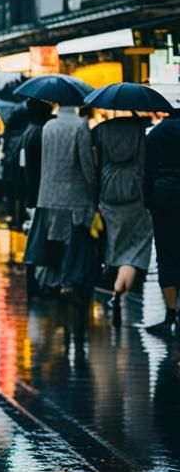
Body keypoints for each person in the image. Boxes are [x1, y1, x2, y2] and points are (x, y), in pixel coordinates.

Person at [24, 105, 98, 296]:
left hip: (48, 193)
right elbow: (86, 162)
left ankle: (49, 280)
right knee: (70, 240)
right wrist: (93, 187)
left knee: (51, 238)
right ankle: (66, 280)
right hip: (73, 194)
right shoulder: (80, 126)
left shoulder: (48, 126)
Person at [94, 114, 153, 321]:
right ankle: (121, 289)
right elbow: (144, 160)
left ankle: (112, 283)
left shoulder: (101, 130)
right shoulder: (139, 130)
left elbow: (97, 162)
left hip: (109, 189)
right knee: (135, 246)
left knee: (114, 242)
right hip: (133, 189)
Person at [143, 110, 180, 335]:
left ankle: (170, 314)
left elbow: (146, 172)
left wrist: (149, 201)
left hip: (164, 198)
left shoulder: (157, 134)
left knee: (166, 255)